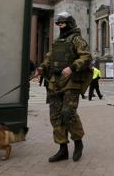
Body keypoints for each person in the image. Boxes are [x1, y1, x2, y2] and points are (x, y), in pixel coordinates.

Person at [35, 12, 92, 162]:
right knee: (55, 116)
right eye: (58, 24)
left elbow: (86, 56)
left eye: (63, 23)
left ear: (70, 23)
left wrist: (72, 67)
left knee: (68, 113)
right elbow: (49, 58)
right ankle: (62, 149)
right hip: (55, 82)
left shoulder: (77, 39)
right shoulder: (57, 42)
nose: (60, 26)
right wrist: (41, 67)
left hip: (71, 81)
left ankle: (78, 143)